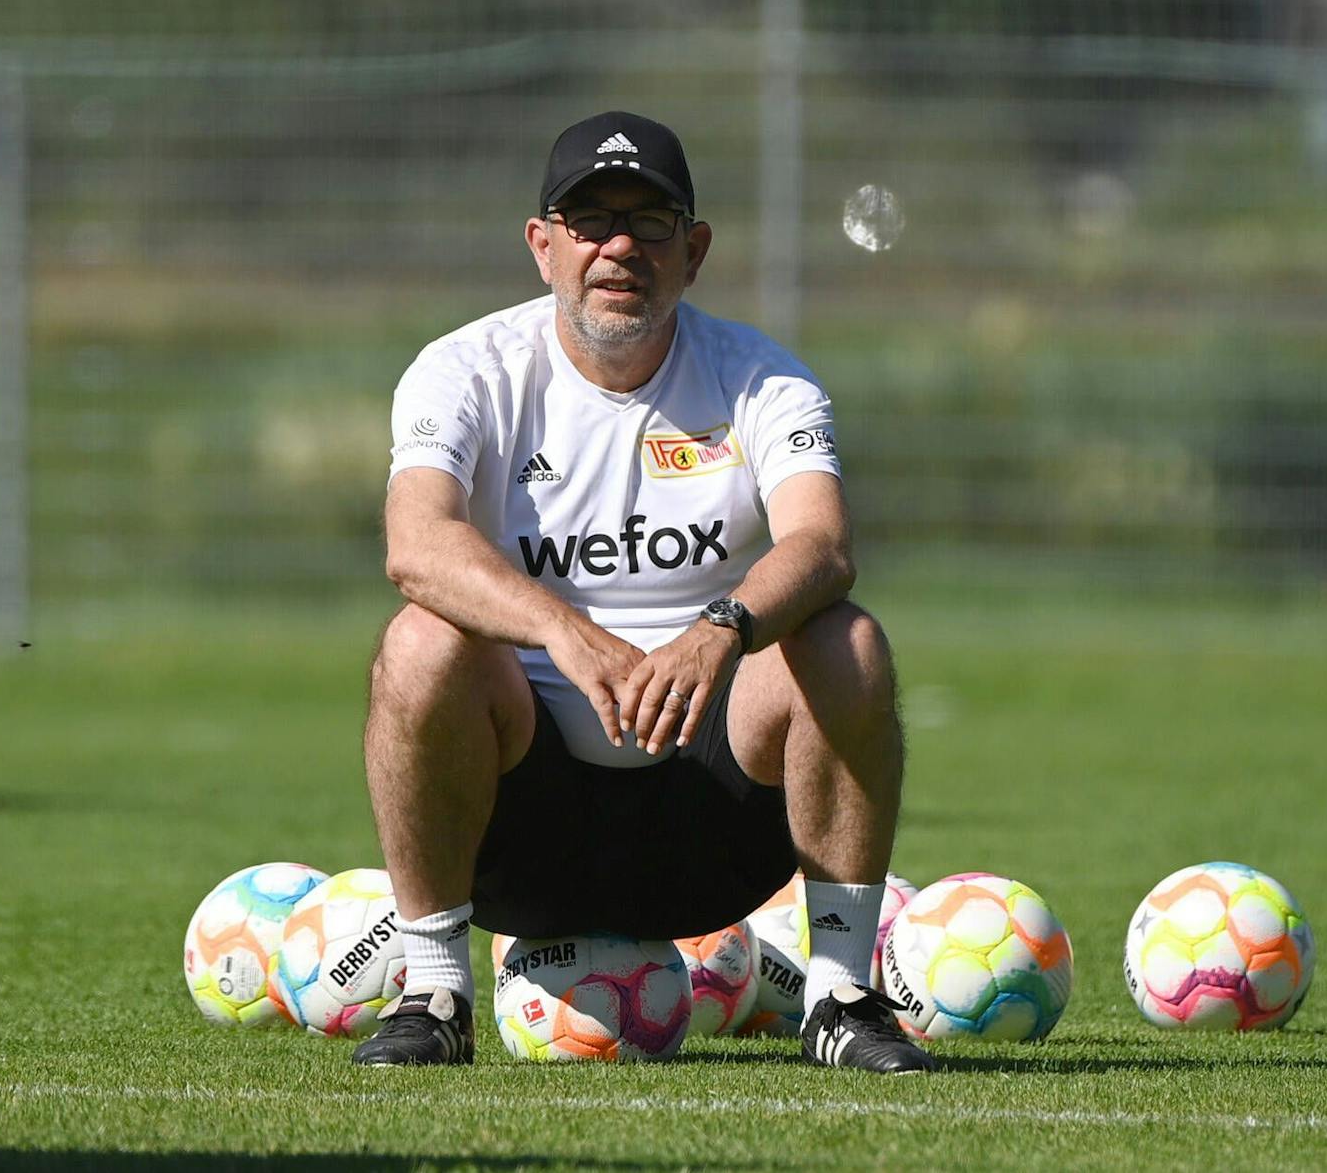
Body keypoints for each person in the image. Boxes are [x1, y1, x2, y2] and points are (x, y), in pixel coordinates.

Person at [355, 110, 932, 1074]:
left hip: (710, 823)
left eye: (650, 220)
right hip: (518, 819)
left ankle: (841, 999)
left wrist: (720, 629)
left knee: (847, 640)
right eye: (589, 220)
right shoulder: (463, 371)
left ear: (693, 251)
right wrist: (567, 634)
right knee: (420, 642)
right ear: (543, 246)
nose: (618, 245)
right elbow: (417, 546)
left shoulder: (764, 380)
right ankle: (433, 994)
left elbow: (823, 544)